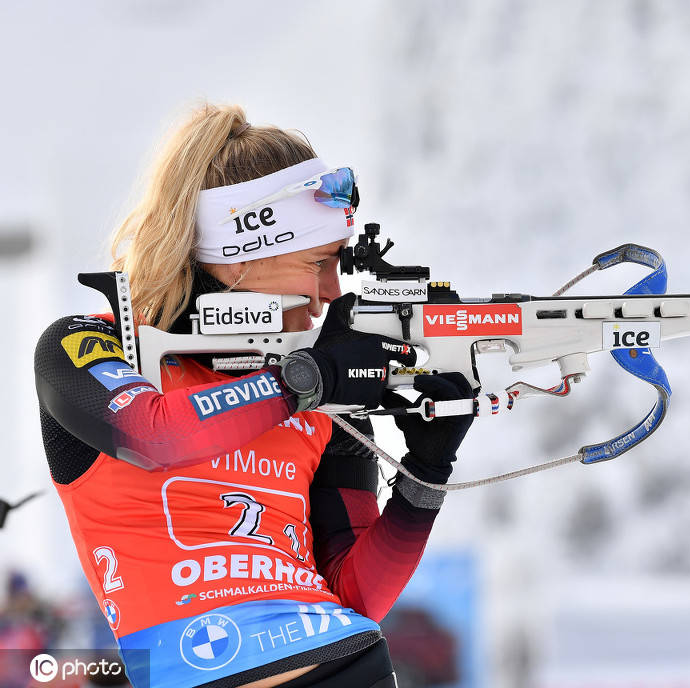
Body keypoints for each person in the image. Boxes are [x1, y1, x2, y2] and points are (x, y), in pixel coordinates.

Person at [33, 103, 474, 688]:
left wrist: (425, 474)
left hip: (349, 666)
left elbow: (354, 593)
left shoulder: (317, 388)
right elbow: (154, 434)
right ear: (245, 254)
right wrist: (307, 381)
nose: (329, 295)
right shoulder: (90, 344)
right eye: (318, 263)